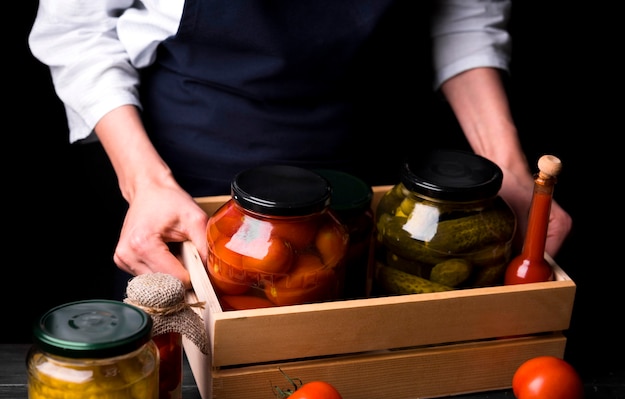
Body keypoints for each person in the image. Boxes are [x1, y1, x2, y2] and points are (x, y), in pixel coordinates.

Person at [29, 0, 572, 292]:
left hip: (364, 167)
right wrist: (144, 184)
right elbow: (76, 29)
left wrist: (508, 169)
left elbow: (464, 10)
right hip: (193, 176)